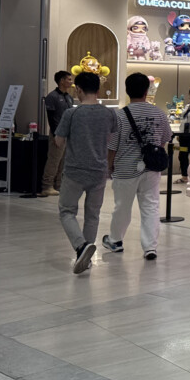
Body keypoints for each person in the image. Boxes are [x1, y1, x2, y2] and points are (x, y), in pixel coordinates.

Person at [54, 71, 117, 274]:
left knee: (66, 211)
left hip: (74, 170)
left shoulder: (71, 114)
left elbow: (59, 141)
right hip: (99, 171)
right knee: (93, 215)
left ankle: (81, 247)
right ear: (98, 89)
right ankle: (86, 258)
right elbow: (112, 140)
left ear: (79, 90)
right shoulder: (110, 114)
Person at [102, 72, 168, 260]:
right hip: (151, 168)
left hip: (125, 169)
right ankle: (150, 247)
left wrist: (109, 166)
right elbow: (164, 140)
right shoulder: (159, 113)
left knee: (122, 206)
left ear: (127, 90)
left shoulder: (120, 116)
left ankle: (115, 240)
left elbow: (112, 146)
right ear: (147, 91)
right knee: (151, 207)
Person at [40, 71, 75, 196]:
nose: (71, 82)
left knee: (63, 161)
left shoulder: (69, 97)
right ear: (61, 81)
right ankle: (47, 185)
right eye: (69, 79)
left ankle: (59, 185)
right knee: (54, 160)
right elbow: (51, 117)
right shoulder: (52, 97)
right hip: (57, 133)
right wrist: (56, 134)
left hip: (67, 134)